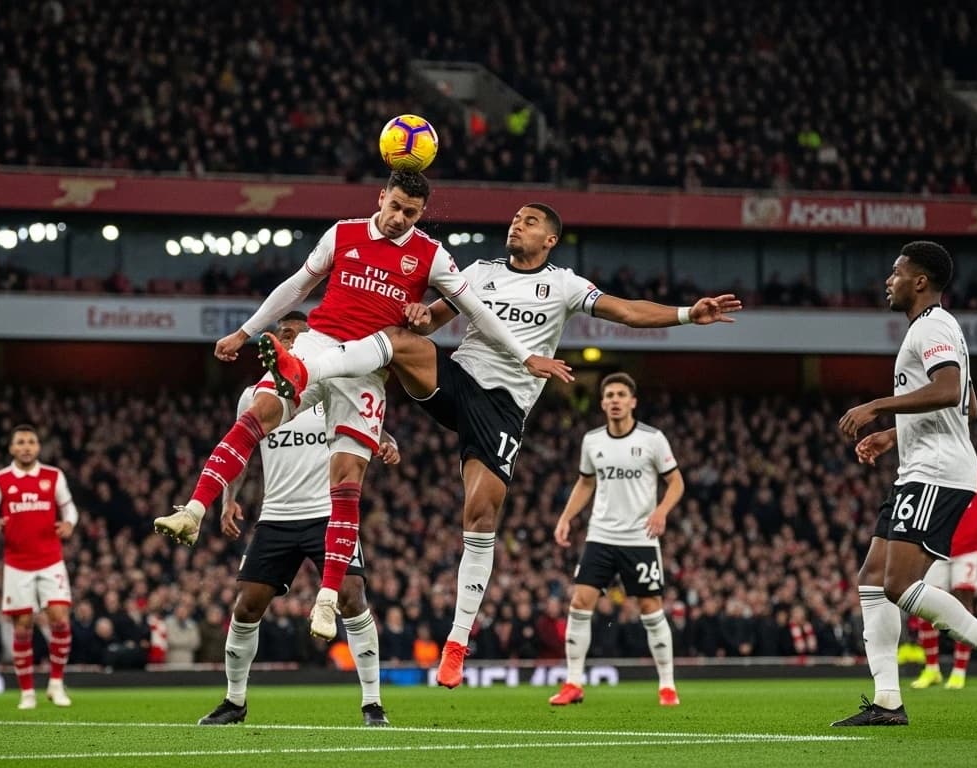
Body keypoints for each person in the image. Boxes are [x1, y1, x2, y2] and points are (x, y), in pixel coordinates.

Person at [259, 203, 740, 686]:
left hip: (503, 409)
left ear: (550, 239)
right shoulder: (479, 271)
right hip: (457, 381)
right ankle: (309, 371)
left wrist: (685, 314)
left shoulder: (565, 284)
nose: (517, 224)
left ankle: (457, 640)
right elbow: (432, 320)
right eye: (515, 219)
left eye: (530, 222)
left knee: (481, 515)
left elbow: (626, 310)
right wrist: (419, 313)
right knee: (401, 338)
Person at [155, 172, 570, 642]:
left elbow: (478, 312)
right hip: (320, 342)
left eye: (410, 213)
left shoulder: (431, 256)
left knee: (347, 480)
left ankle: (327, 600)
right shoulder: (343, 233)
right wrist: (244, 331)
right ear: (381, 198)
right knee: (258, 412)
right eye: (394, 207)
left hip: (367, 372)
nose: (399, 219)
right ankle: (192, 511)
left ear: (420, 214)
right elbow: (296, 287)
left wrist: (525, 355)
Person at [834, 240, 977, 726]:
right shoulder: (937, 331)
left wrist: (878, 406)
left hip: (938, 473)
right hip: (920, 468)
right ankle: (887, 701)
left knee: (900, 583)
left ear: (920, 281)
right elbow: (969, 404)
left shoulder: (935, 326)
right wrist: (891, 435)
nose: (889, 280)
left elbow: (949, 391)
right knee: (871, 582)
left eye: (896, 272)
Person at [197, 312, 396, 727]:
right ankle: (234, 702)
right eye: (282, 335)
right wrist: (228, 499)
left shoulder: (330, 385)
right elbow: (242, 449)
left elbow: (366, 422)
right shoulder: (256, 395)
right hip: (277, 516)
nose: (286, 342)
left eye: (295, 335)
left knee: (352, 597)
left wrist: (386, 439)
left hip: (328, 515)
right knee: (247, 606)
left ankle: (373, 704)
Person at [550, 372, 684, 706]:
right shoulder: (592, 441)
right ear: (602, 402)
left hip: (640, 538)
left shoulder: (653, 439)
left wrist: (661, 511)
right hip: (601, 535)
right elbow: (585, 483)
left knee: (650, 608)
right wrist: (567, 517)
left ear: (632, 401)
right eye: (609, 395)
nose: (614, 400)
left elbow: (677, 482)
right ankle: (573, 683)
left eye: (621, 394)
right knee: (580, 602)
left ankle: (667, 685)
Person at [0, 424, 79, 709]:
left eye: (31, 442)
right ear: (12, 448)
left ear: (38, 447)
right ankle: (27, 693)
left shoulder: (53, 476)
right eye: (20, 442)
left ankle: (56, 684)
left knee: (60, 619)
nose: (26, 447)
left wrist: (69, 523)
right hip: (17, 564)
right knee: (22, 627)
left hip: (51, 560)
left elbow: (70, 508)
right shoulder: (0, 480)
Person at [911, 465, 977, 690]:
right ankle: (932, 669)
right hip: (938, 547)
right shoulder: (935, 470)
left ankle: (959, 670)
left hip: (968, 550)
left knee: (963, 605)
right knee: (924, 605)